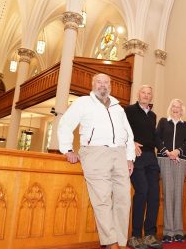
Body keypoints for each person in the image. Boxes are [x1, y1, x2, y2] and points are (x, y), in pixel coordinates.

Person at [57, 73, 135, 249]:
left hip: (119, 154)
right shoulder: (83, 102)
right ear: (93, 84)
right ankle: (110, 242)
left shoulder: (117, 107)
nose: (103, 85)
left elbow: (128, 133)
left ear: (110, 85)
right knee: (102, 199)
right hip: (95, 153)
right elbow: (66, 123)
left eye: (106, 82)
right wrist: (67, 149)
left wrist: (129, 157)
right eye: (99, 82)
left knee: (123, 199)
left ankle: (121, 242)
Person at [125, 85, 162, 249]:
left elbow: (154, 138)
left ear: (151, 96)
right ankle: (135, 235)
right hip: (136, 156)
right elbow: (122, 130)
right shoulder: (128, 111)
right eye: (143, 93)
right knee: (142, 192)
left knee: (154, 195)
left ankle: (149, 234)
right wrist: (131, 143)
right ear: (138, 94)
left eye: (149, 93)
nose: (146, 95)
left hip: (151, 157)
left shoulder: (153, 115)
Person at [155, 99, 186, 244]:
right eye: (174, 107)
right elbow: (156, 138)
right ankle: (168, 232)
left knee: (178, 194)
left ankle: (178, 231)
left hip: (181, 160)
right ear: (170, 108)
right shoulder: (163, 121)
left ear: (182, 110)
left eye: (179, 107)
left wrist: (177, 151)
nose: (176, 109)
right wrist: (167, 152)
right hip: (164, 160)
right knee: (168, 193)